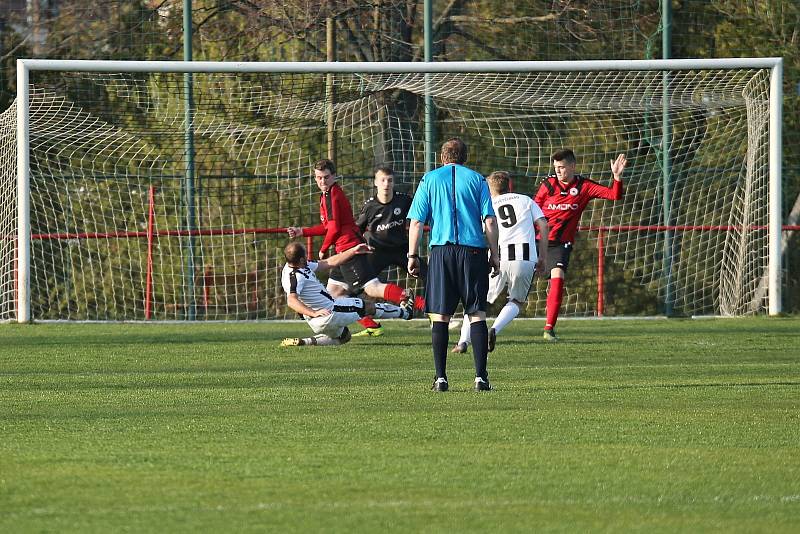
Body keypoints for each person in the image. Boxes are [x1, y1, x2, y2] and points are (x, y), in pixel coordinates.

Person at [407, 138, 500, 392]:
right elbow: (489, 221)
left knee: (440, 316)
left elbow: (416, 223)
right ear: (465, 158)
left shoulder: (429, 180)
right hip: (473, 253)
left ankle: (441, 378)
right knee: (476, 314)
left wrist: (412, 256)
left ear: (442, 158)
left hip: (442, 253)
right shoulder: (478, 180)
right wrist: (495, 254)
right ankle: (481, 378)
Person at [285, 159, 414, 311]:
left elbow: (333, 228)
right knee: (333, 295)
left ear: (334, 176)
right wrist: (303, 231)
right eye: (319, 177)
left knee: (372, 288)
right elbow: (328, 226)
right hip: (344, 249)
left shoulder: (331, 195)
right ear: (315, 178)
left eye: (326, 177)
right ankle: (370, 327)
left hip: (350, 248)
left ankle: (408, 297)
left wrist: (323, 248)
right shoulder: (327, 194)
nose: (322, 181)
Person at [533, 149, 628, 342]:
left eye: (562, 167)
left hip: (560, 244)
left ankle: (549, 328)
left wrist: (617, 178)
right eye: (556, 168)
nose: (558, 171)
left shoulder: (584, 186)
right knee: (518, 279)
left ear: (572, 166)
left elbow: (614, 195)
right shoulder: (548, 185)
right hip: (535, 240)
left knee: (558, 277)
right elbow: (533, 208)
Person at [452, 170, 549, 354]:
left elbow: (485, 229)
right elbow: (543, 224)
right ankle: (495, 329)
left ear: (490, 188)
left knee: (477, 301)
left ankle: (463, 341)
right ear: (509, 185)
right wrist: (543, 256)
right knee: (517, 301)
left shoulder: (489, 205)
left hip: (498, 257)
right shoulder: (526, 200)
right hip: (525, 256)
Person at [279, 242, 413, 347]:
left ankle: (304, 342)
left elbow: (328, 263)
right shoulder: (295, 277)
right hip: (329, 313)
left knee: (344, 337)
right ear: (301, 259)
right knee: (368, 307)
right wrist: (313, 313)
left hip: (318, 321)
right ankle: (406, 312)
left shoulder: (297, 265)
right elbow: (291, 300)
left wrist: (353, 251)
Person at [351, 166, 426, 337]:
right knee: (351, 290)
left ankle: (434, 313)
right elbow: (356, 230)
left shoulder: (404, 201)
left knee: (429, 276)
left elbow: (420, 217)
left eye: (390, 180)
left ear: (394, 182)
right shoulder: (369, 207)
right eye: (383, 180)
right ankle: (371, 325)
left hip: (401, 249)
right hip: (376, 252)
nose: (386, 184)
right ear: (376, 183)